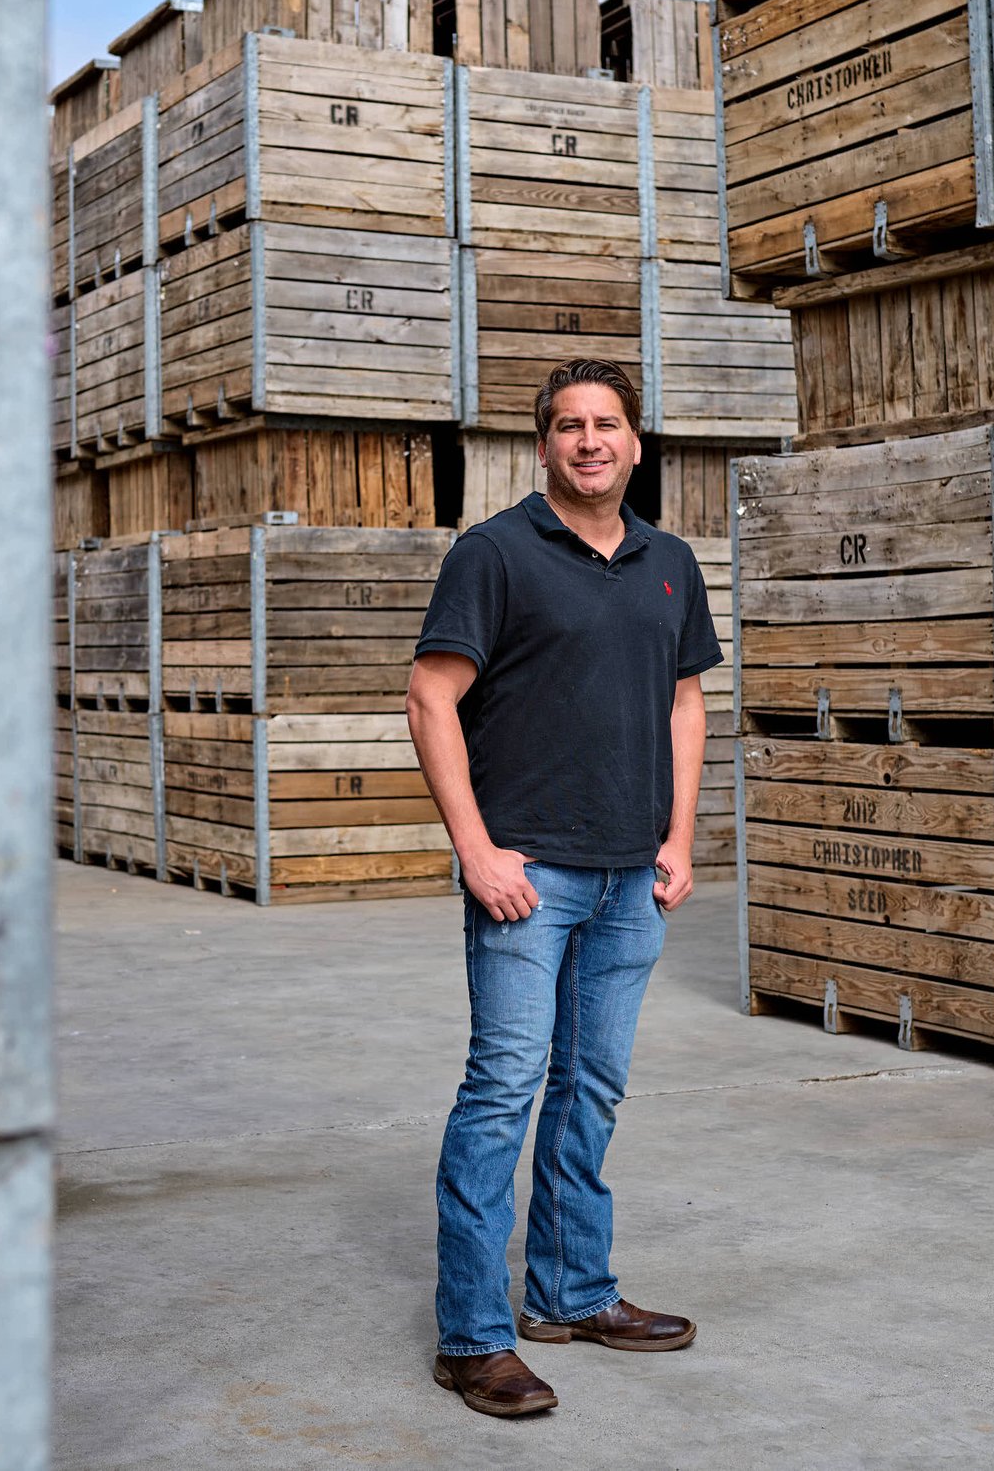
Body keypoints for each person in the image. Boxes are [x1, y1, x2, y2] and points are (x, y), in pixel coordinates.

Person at [405, 357, 721, 1418]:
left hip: (634, 876)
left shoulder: (668, 560)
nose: (590, 440)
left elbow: (683, 704)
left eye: (608, 424)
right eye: (569, 425)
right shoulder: (492, 554)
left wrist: (678, 836)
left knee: (590, 1088)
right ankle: (471, 1334)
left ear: (635, 443)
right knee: (500, 1093)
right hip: (529, 876)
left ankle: (570, 1292)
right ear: (541, 445)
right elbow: (429, 697)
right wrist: (477, 848)